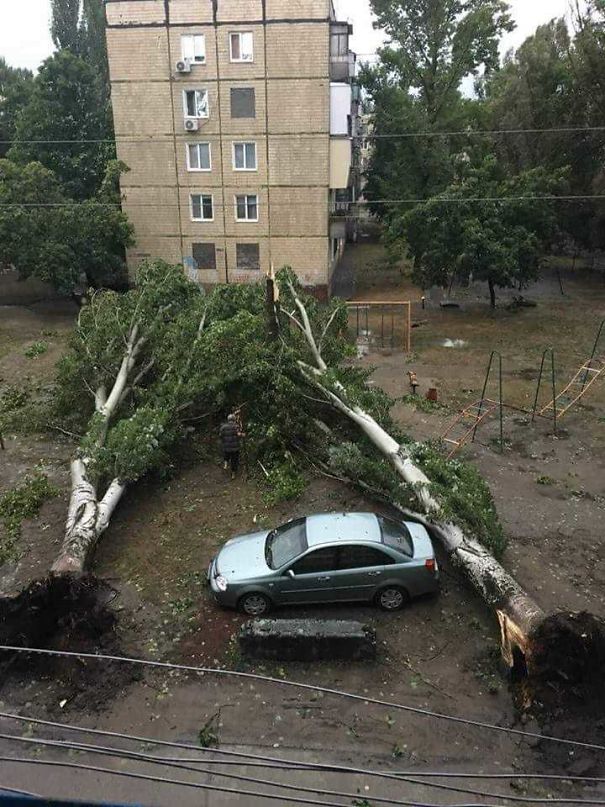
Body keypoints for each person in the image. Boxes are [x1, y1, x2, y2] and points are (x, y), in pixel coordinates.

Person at [219, 414, 243, 480]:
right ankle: (233, 474)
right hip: (235, 448)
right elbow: (239, 435)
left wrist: (224, 441)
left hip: (226, 446)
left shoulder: (223, 427)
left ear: (228, 419)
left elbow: (220, 436)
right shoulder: (236, 426)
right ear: (234, 419)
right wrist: (242, 435)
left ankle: (226, 464)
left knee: (226, 455)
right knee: (234, 461)